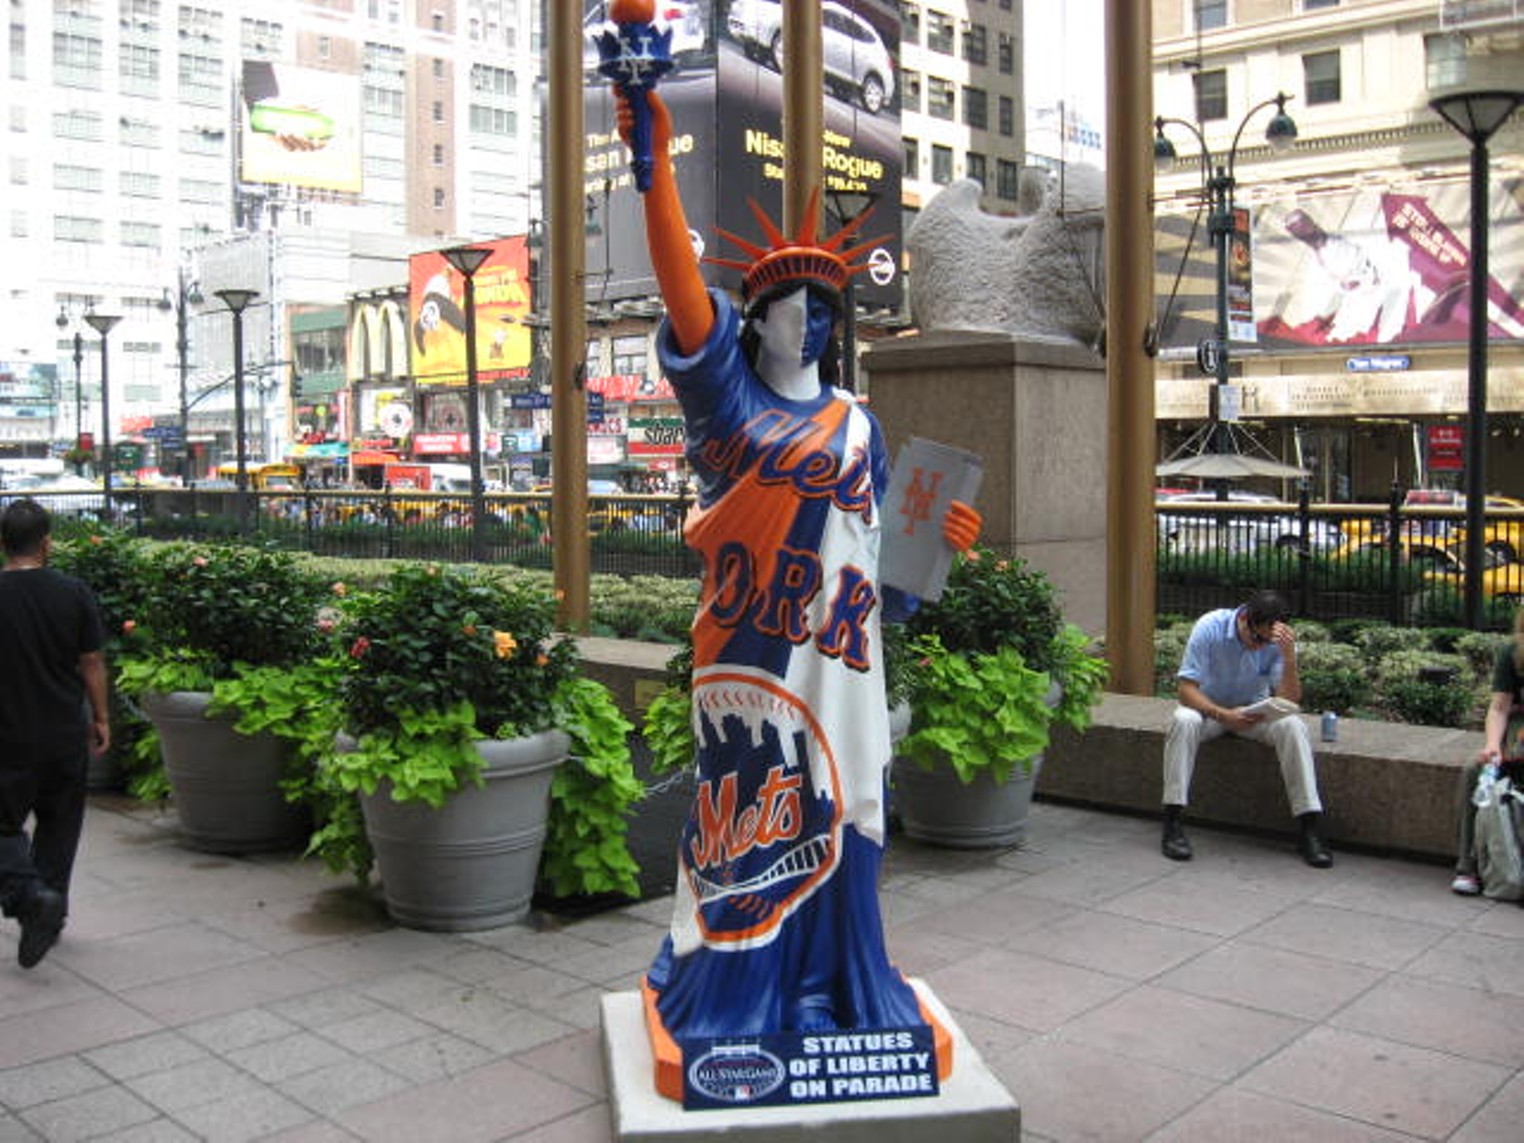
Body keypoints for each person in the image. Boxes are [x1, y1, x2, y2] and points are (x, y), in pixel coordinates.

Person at [615, 84, 979, 1044]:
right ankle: (738, 990)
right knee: (748, 816)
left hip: (845, 661)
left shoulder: (861, 423)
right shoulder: (726, 406)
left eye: (825, 309)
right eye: (791, 307)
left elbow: (889, 578)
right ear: (758, 315)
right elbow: (680, 292)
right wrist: (652, 167)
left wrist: (939, 547)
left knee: (849, 804)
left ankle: (834, 982)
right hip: (752, 653)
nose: (810, 324)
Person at [0, 499, 110, 968]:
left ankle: (30, 899)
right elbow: (92, 662)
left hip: (7, 735)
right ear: (46, 543)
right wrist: (101, 717)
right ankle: (48, 911)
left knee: (3, 826)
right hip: (65, 729)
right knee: (59, 827)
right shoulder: (74, 592)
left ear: (3, 544)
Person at [1163, 589, 1332, 868]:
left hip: (1252, 714)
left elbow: (1289, 699)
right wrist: (1222, 714)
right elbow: (1185, 690)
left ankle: (1309, 827)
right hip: (1210, 711)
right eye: (1256, 638)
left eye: (1266, 642)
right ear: (1243, 619)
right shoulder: (1210, 627)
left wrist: (1289, 659)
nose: (1259, 646)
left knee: (1293, 726)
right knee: (1183, 721)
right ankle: (1172, 821)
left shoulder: (1277, 641)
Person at [1449, 606, 1524, 896]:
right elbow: (1499, 707)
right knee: (1475, 771)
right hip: (1514, 740)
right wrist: (1492, 745)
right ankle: (1467, 867)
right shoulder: (1514, 653)